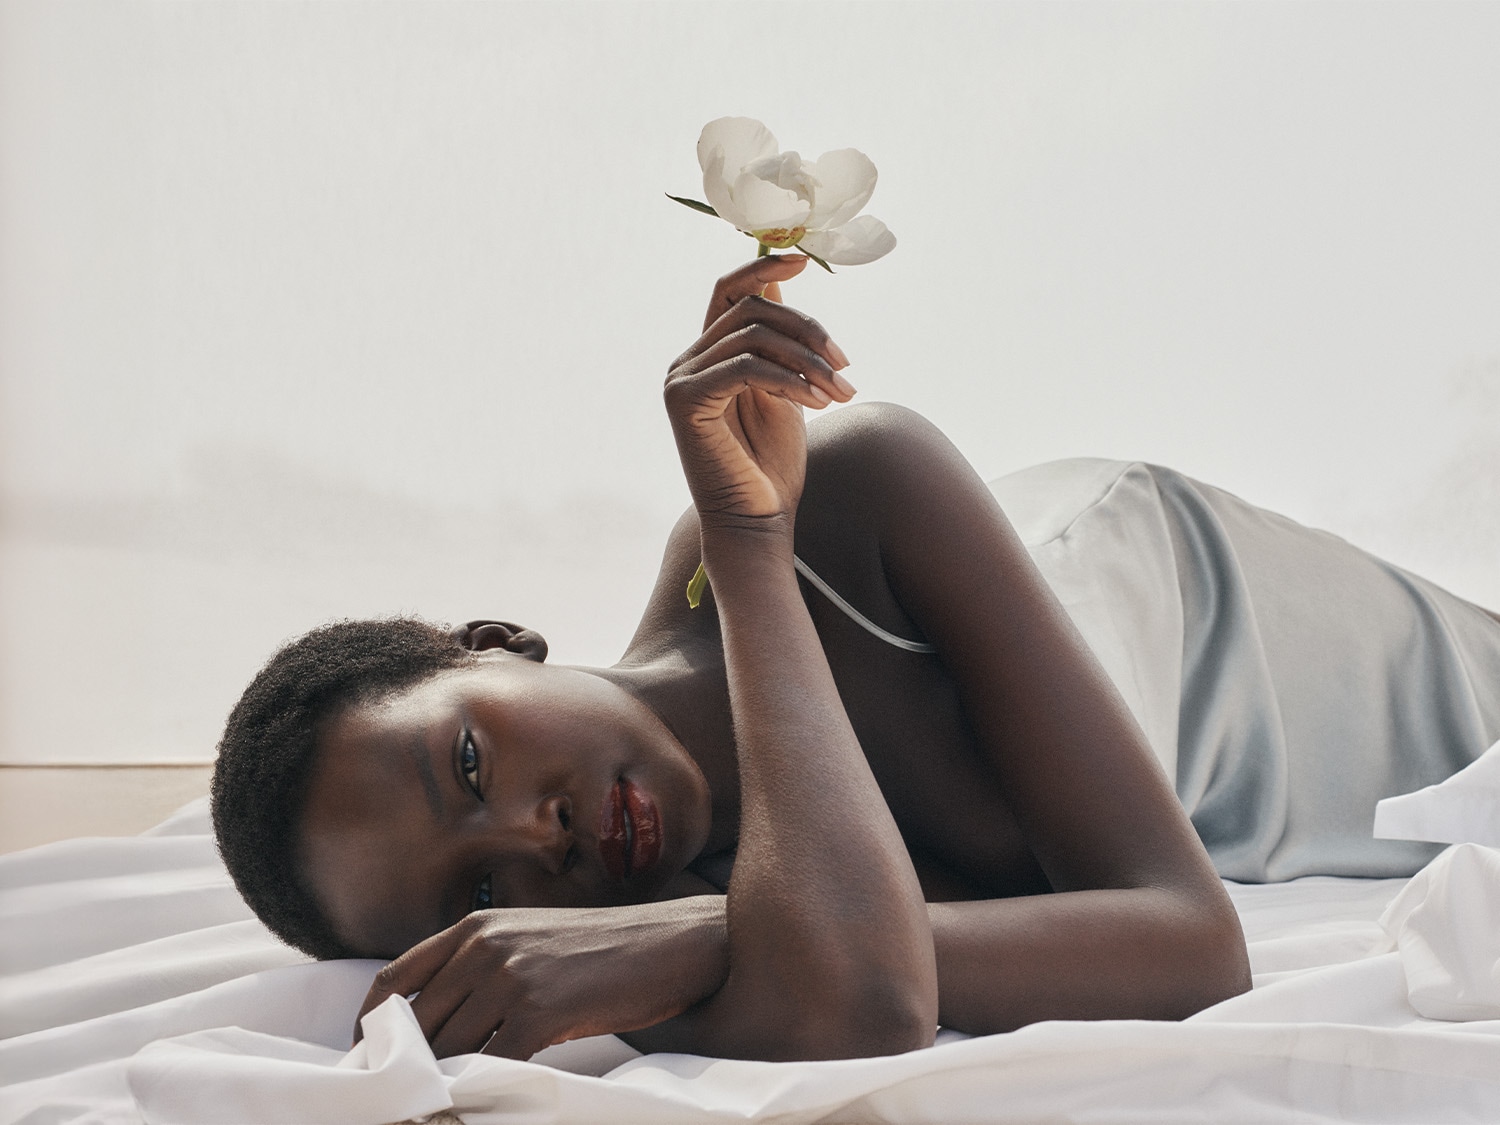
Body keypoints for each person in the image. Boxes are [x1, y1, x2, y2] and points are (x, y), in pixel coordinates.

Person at [211, 254, 1500, 1064]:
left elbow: (1193, 948)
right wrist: (711, 936)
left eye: (469, 763)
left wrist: (749, 544)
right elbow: (868, 1002)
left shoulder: (854, 491)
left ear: (492, 645)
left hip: (1361, 664)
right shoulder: (667, 907)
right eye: (482, 889)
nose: (536, 840)